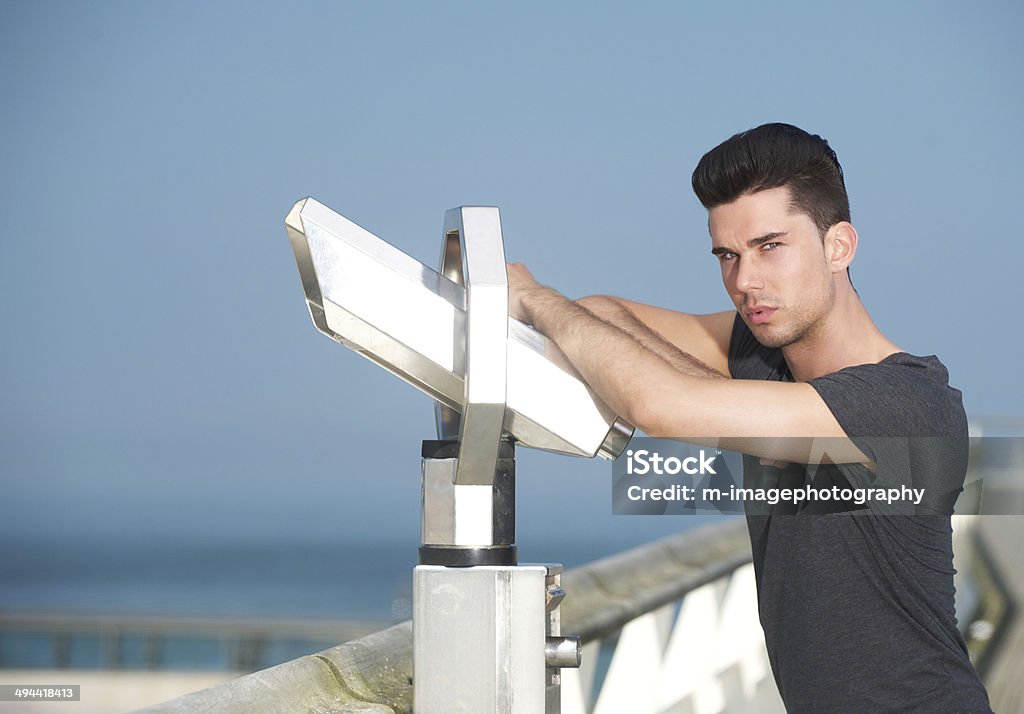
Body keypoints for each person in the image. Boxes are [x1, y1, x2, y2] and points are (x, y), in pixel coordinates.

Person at [507, 123, 992, 712]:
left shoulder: (908, 404)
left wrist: (535, 299)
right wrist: (716, 391)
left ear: (839, 246)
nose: (745, 281)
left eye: (770, 246)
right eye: (727, 256)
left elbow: (657, 406)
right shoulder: (762, 358)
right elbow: (603, 316)